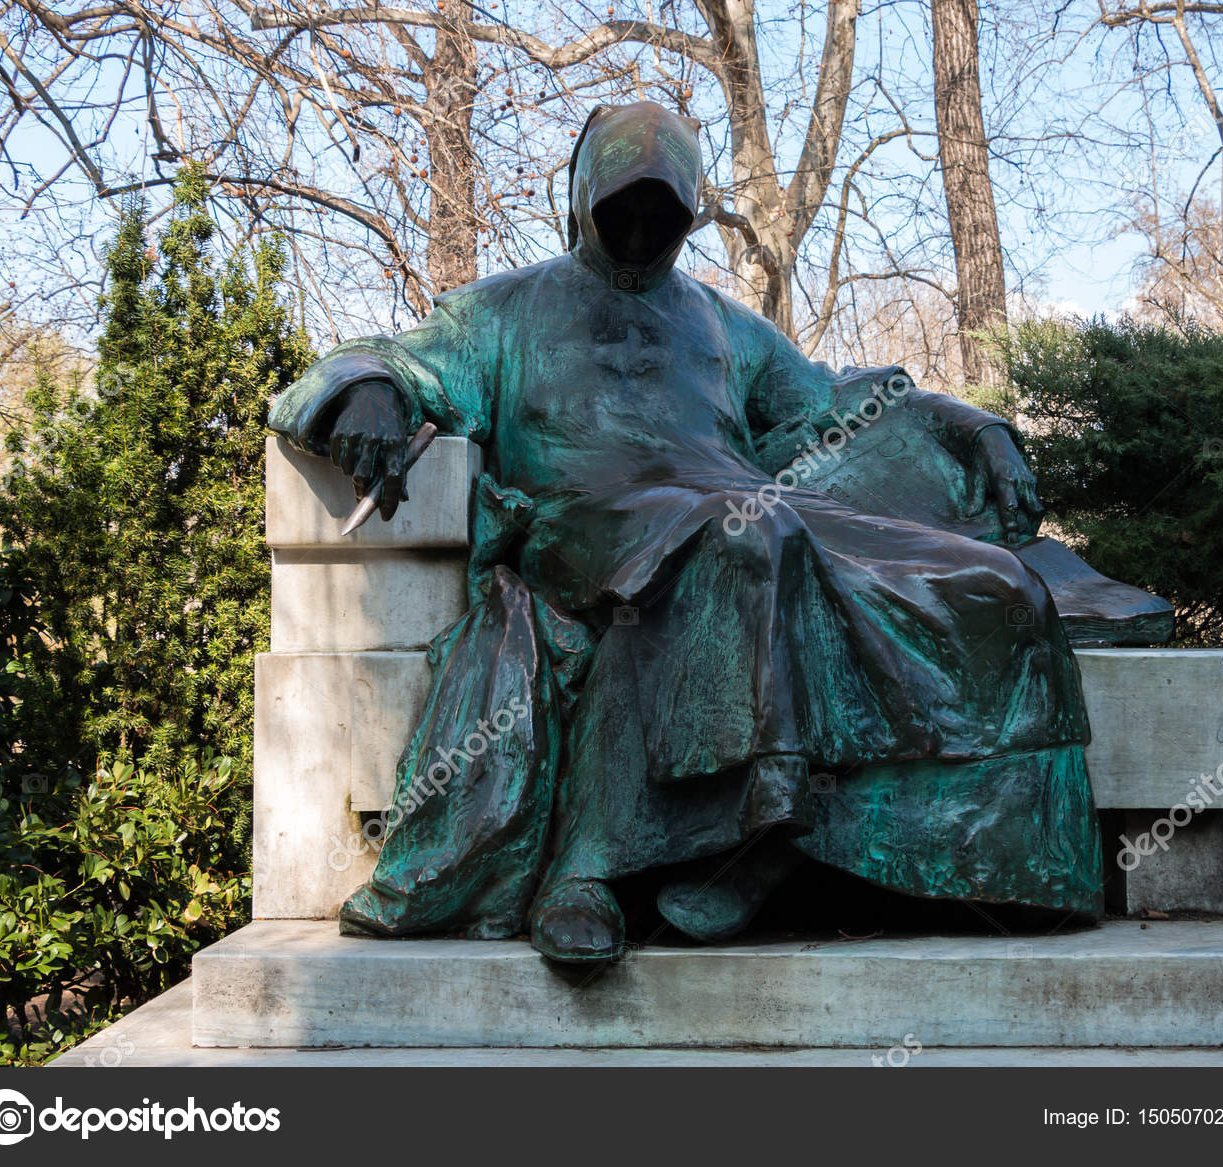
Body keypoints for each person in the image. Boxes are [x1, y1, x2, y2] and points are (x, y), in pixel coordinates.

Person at [270, 101, 1102, 963]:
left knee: (995, 581)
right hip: (583, 523)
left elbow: (835, 399)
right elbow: (386, 356)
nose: (637, 228)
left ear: (688, 212)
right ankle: (598, 866)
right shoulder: (504, 311)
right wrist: (363, 391)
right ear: (582, 198)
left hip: (744, 511)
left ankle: (896, 855)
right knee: (739, 538)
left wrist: (975, 427)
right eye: (619, 206)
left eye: (659, 211)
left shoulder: (721, 321)